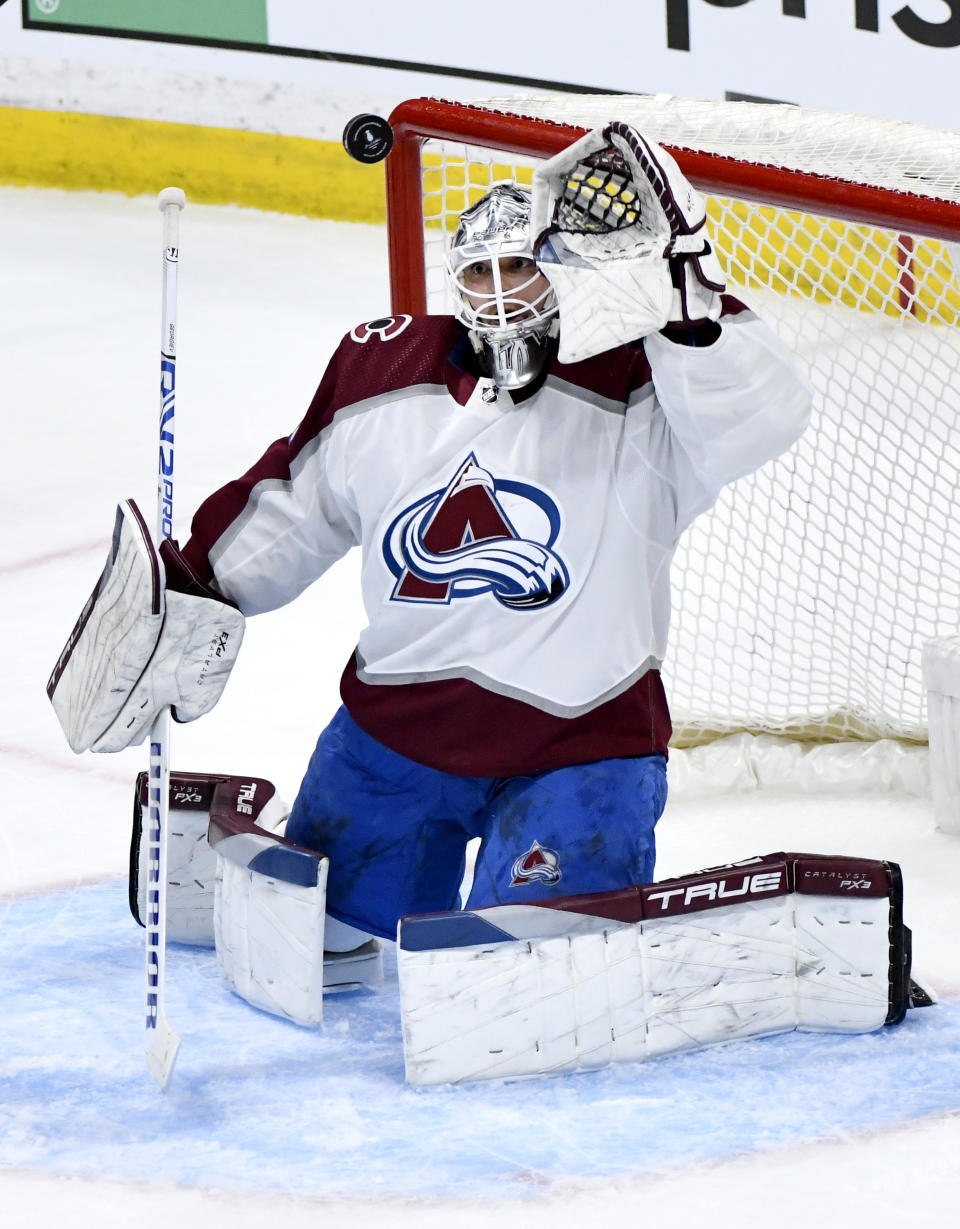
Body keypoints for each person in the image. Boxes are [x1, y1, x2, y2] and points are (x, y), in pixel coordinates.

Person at [48, 123, 811, 978]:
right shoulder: (387, 375)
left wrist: (693, 309)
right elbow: (300, 502)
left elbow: (762, 417)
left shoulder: (644, 382)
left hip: (581, 743)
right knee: (322, 945)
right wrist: (198, 588)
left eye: (519, 267)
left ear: (562, 274)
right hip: (401, 729)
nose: (498, 293)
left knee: (536, 976)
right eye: (479, 272)